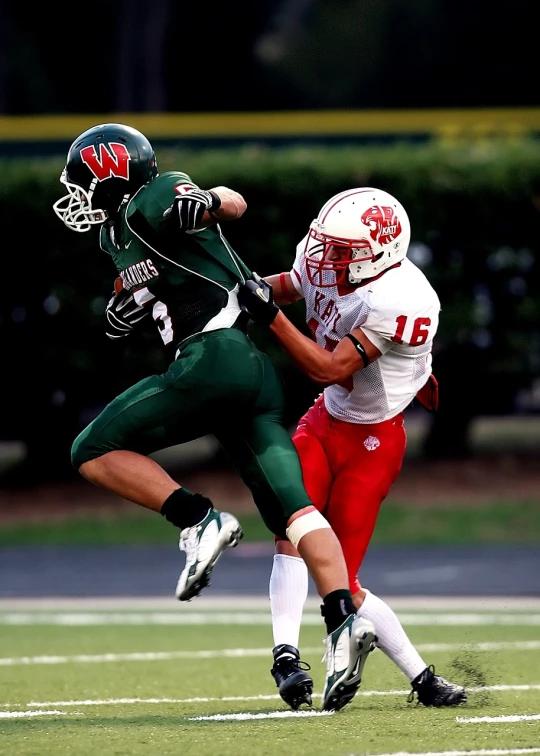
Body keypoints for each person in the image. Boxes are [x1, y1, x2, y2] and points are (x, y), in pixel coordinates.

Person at [52, 122, 377, 712]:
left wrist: (205, 201)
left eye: (81, 179)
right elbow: (160, 276)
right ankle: (342, 623)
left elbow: (228, 203)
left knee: (90, 451)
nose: (74, 193)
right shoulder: (119, 236)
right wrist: (128, 305)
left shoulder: (154, 194)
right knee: (296, 513)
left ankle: (198, 519)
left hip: (213, 356)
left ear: (110, 172)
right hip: (251, 375)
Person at [238, 187, 468, 710]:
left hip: (374, 440)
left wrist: (269, 316)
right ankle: (285, 656)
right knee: (291, 526)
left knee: (342, 580)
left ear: (381, 252)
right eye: (328, 245)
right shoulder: (327, 254)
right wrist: (240, 293)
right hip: (324, 419)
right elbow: (291, 284)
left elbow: (327, 367)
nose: (327, 258)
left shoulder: (404, 300)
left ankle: (422, 677)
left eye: (343, 251)